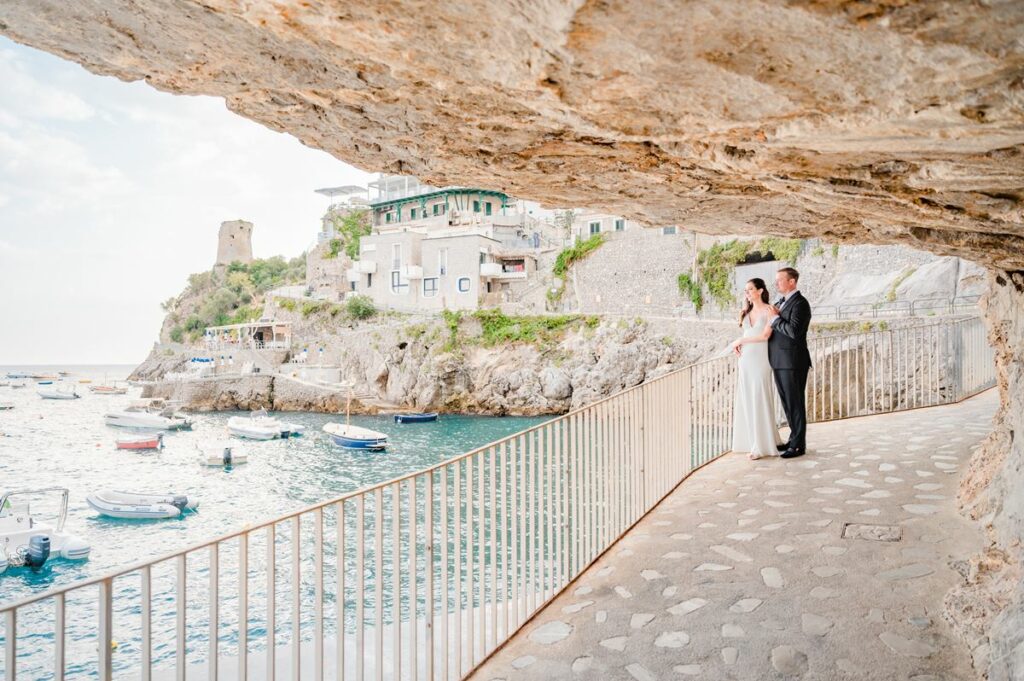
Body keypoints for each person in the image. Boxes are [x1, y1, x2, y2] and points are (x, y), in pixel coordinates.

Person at [730, 278, 785, 459]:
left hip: (761, 359)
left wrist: (740, 341)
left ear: (760, 290)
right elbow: (747, 333)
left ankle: (762, 445)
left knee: (760, 396)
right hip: (745, 359)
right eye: (745, 291)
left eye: (750, 289)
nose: (747, 293)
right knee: (747, 398)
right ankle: (751, 442)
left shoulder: (769, 310)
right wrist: (740, 345)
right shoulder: (745, 313)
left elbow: (764, 336)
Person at [766, 267, 813, 458]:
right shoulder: (781, 302)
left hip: (793, 361)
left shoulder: (800, 303)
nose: (776, 283)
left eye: (780, 280)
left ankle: (799, 446)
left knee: (795, 403)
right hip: (780, 360)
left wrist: (775, 318)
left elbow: (794, 331)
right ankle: (793, 438)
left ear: (791, 282)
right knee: (787, 403)